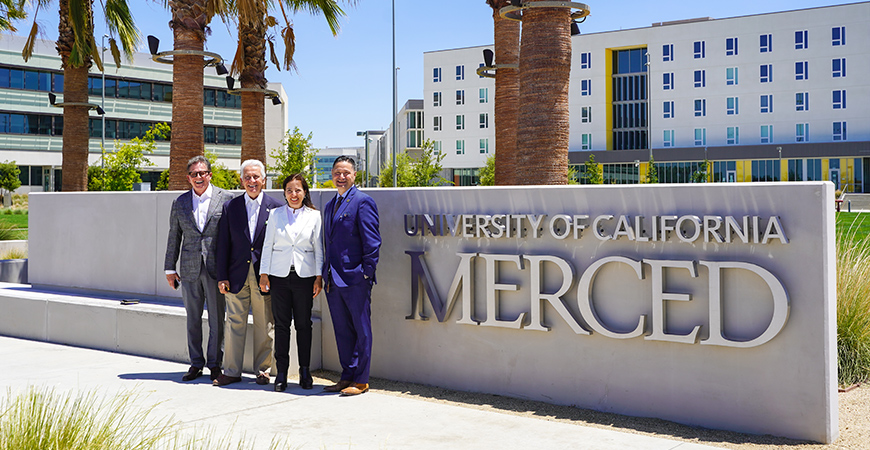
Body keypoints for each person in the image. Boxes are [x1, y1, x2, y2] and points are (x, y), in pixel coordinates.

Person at [214, 159, 283, 387]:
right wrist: (222, 275)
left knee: (265, 323)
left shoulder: (276, 207)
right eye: (247, 177)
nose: (252, 181)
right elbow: (223, 244)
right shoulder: (230, 207)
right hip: (235, 274)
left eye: (256, 177)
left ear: (264, 179)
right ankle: (231, 371)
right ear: (241, 180)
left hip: (264, 275)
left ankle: (263, 370)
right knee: (234, 322)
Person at [164, 155, 233, 382]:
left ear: (210, 175)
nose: (199, 177)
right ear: (188, 178)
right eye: (194, 174)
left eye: (203, 173)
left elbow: (232, 238)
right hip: (189, 268)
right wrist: (169, 269)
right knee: (192, 319)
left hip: (216, 269)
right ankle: (196, 364)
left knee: (216, 319)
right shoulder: (180, 202)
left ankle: (215, 365)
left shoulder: (226, 199)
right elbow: (174, 236)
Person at [258, 173, 323, 391]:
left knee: (304, 325)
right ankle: (282, 374)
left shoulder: (314, 216)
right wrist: (264, 273)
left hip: (304, 277)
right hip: (279, 277)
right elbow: (267, 245)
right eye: (289, 190)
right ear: (284, 193)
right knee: (282, 326)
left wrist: (319, 276)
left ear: (305, 192)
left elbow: (318, 248)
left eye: (298, 190)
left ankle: (305, 371)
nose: (293, 194)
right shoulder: (275, 214)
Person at [322, 156, 381, 396]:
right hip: (333, 280)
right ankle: (346, 376)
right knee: (342, 331)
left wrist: (366, 273)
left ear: (355, 175)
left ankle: (361, 380)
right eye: (337, 172)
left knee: (361, 329)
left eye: (346, 172)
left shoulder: (363, 202)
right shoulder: (329, 205)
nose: (341, 176)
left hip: (355, 279)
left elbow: (372, 242)